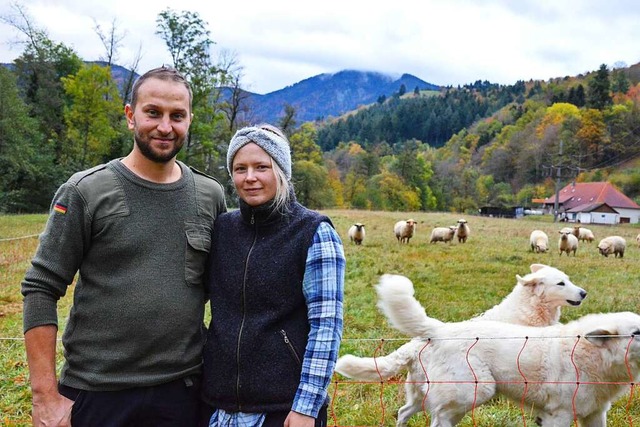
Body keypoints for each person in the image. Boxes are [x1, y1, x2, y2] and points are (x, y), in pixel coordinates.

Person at [21, 65, 227, 427]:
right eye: (153, 113)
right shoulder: (87, 191)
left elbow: (224, 288)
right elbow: (40, 287)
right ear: (131, 116)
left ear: (189, 120)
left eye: (177, 115)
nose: (165, 126)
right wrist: (45, 397)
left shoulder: (209, 195)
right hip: (98, 392)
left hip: (184, 391)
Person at [202, 124, 345, 427]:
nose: (250, 177)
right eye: (240, 168)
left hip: (284, 409)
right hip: (218, 406)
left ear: (281, 170)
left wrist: (307, 406)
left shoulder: (313, 232)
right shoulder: (223, 230)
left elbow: (326, 327)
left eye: (261, 167)